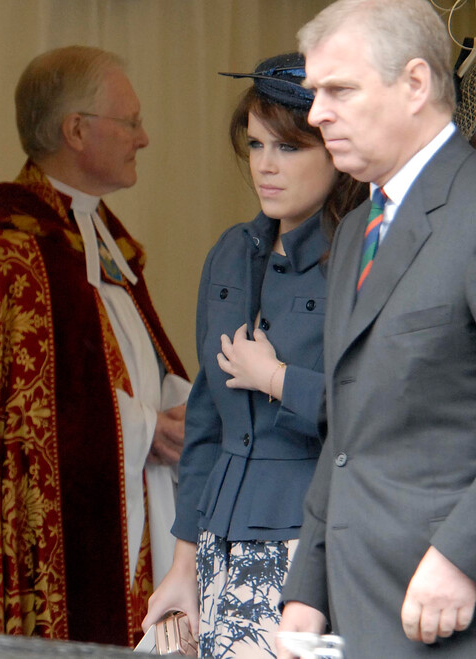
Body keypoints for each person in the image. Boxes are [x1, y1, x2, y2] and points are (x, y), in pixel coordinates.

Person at [141, 53, 366, 658]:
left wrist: (278, 379)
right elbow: (206, 425)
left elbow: (381, 415)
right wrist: (182, 565)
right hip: (217, 537)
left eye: (289, 148)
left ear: (336, 152)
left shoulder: (366, 257)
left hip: (311, 548)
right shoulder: (229, 254)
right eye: (256, 144)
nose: (265, 166)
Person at [278, 0, 476, 656]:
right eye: (314, 93)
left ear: (415, 84)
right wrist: (306, 588)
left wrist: (461, 555)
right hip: (355, 610)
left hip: (451, 611)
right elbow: (345, 433)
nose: (315, 114)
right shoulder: (360, 227)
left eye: (339, 90)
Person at [0, 45, 190, 646]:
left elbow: (138, 359)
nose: (142, 139)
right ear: (76, 130)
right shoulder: (13, 254)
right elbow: (18, 424)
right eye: (131, 122)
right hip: (70, 547)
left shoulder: (98, 237)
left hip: (145, 502)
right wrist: (148, 429)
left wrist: (184, 409)